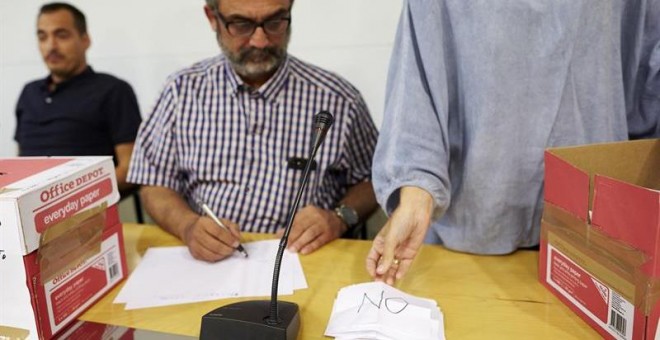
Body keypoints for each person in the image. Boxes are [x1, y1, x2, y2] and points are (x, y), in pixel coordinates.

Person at [367, 0, 660, 284]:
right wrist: (417, 193)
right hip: (471, 225)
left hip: (590, 222)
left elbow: (649, 66)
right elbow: (416, 85)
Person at [127, 0, 379, 262]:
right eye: (241, 24)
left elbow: (373, 179)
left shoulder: (337, 99)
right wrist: (188, 226)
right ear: (212, 17)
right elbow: (154, 182)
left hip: (302, 261)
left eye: (274, 22)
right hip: (203, 264)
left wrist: (339, 218)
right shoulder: (181, 91)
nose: (260, 41)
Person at [14, 2, 142, 195]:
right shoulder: (29, 92)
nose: (51, 46)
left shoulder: (113, 90)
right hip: (27, 208)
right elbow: (21, 160)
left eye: (61, 35)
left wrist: (70, 198)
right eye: (43, 37)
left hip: (83, 208)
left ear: (85, 40)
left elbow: (131, 167)